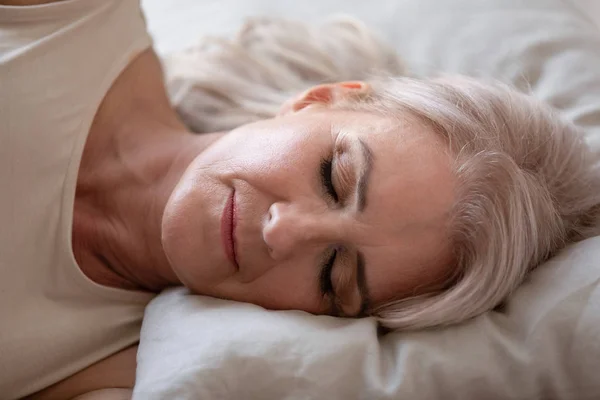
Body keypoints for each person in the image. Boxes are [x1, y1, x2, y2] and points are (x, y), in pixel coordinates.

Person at [1, 0, 599, 399]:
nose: (283, 233)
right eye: (333, 177)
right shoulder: (65, 20)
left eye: (334, 275)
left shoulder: (104, 373)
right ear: (321, 98)